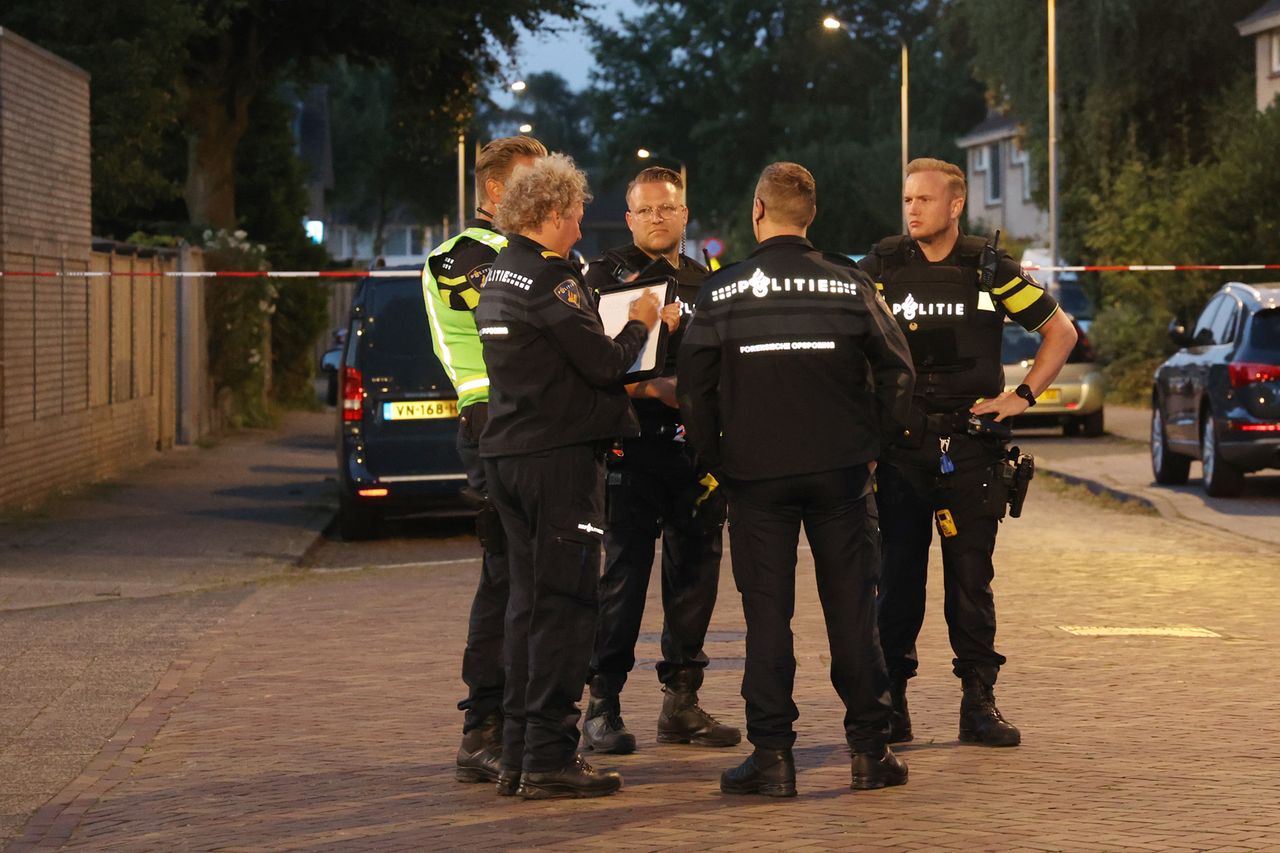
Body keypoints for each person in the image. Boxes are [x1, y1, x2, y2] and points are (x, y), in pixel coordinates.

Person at [679, 162, 916, 797]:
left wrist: (714, 460)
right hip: (841, 476)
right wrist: (875, 448)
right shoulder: (850, 284)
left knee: (767, 618)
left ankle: (773, 758)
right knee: (851, 615)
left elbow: (694, 391)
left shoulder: (720, 293)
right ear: (810, 215)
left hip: (755, 478)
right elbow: (898, 372)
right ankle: (870, 753)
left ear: (759, 211)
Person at [857, 157, 1078, 747]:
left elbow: (1063, 332)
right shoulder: (878, 268)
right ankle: (892, 704)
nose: (912, 209)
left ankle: (978, 703)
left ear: (955, 206)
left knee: (970, 582)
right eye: (907, 199)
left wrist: (1024, 395)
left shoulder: (988, 268)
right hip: (902, 446)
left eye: (924, 200)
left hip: (972, 448)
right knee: (896, 581)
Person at [477, 153, 676, 800]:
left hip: (507, 452)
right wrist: (644, 318)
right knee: (566, 609)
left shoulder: (501, 272)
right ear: (555, 213)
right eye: (579, 214)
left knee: (525, 608)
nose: (584, 227)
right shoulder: (550, 280)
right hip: (558, 460)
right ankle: (551, 756)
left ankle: (514, 753)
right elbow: (604, 362)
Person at [581, 167, 739, 755]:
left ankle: (682, 703)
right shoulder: (602, 278)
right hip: (629, 447)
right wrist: (654, 390)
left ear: (683, 213)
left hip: (696, 452)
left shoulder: (708, 281)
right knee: (622, 577)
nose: (656, 219)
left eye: (666, 209)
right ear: (629, 218)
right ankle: (603, 705)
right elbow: (589, 369)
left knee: (696, 575)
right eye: (644, 210)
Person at [421, 136, 548, 786]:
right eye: (532, 184)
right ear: (495, 192)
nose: (545, 198)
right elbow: (530, 326)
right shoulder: (464, 256)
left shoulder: (528, 254)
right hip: (494, 424)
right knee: (505, 577)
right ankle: (483, 728)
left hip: (533, 428)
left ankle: (526, 724)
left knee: (532, 578)